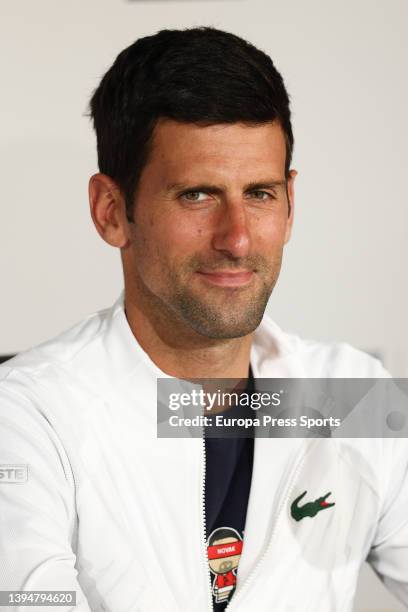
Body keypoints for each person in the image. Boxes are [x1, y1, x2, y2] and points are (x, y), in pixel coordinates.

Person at [0, 26, 407, 612]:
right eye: (197, 195)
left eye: (261, 193)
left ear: (291, 203)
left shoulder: (355, 396)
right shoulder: (28, 417)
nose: (238, 239)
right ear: (111, 212)